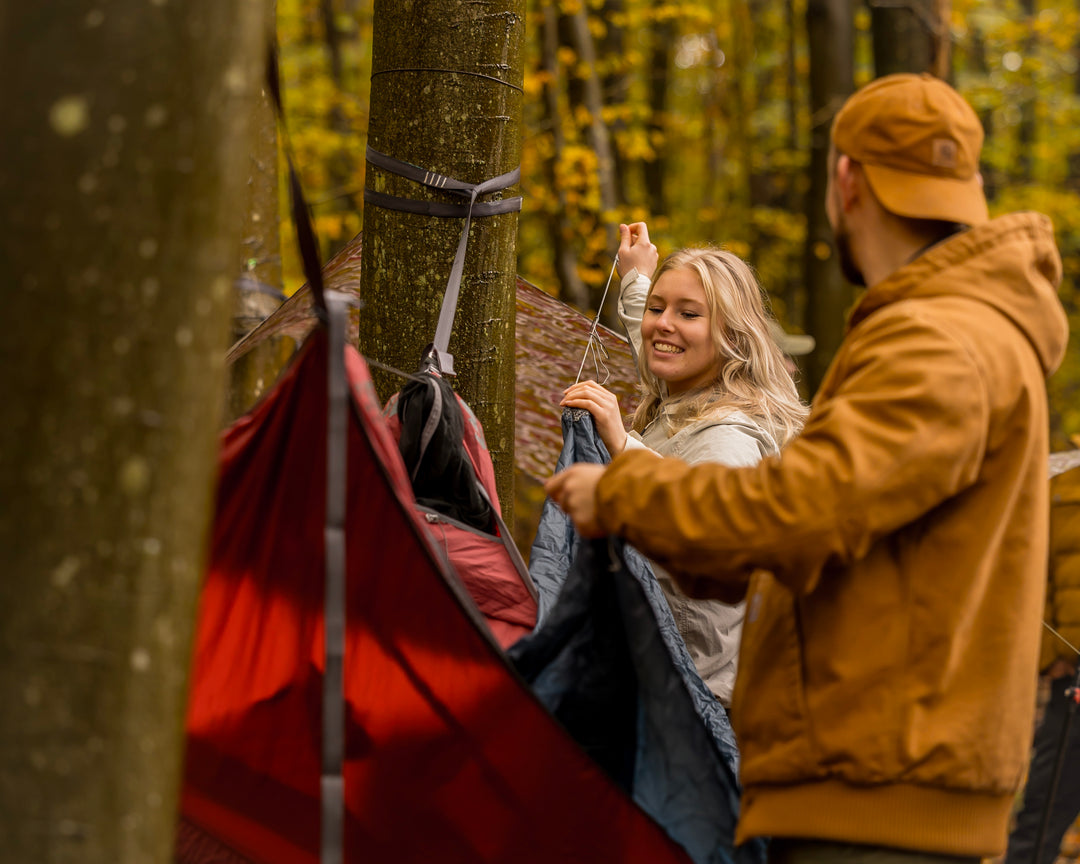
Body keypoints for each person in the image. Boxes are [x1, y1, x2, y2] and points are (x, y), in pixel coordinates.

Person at [546, 72, 1070, 863]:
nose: (667, 325)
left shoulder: (936, 343)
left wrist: (623, 487)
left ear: (847, 179)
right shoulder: (958, 329)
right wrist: (639, 286)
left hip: (877, 799)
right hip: (874, 780)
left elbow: (794, 517)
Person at [560, 224, 807, 706]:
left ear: (730, 334)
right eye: (659, 308)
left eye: (688, 313)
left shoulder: (730, 438)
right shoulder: (688, 390)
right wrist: (637, 281)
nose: (663, 324)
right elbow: (656, 343)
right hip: (651, 677)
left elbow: (713, 523)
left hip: (694, 701)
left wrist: (621, 443)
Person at [1005, 462, 1080, 864]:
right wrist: (1050, 655)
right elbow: (1033, 567)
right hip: (1073, 675)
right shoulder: (1062, 478)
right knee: (1045, 810)